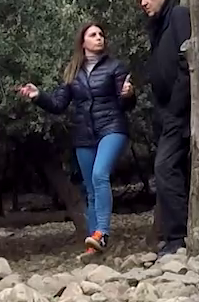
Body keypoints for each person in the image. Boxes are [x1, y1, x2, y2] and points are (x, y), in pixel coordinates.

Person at [18, 20, 135, 256]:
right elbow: (59, 105)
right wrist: (38, 95)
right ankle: (94, 245)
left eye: (101, 34)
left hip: (112, 128)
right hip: (84, 135)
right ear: (83, 42)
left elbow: (126, 105)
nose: (99, 38)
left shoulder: (115, 67)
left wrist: (129, 94)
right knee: (90, 189)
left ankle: (101, 233)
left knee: (99, 174)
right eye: (93, 34)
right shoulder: (73, 73)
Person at [136, 0, 199, 256]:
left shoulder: (178, 15)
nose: (142, 3)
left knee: (164, 168)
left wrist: (175, 107)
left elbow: (189, 61)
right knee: (172, 169)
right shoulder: (159, 26)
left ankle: (176, 239)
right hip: (171, 112)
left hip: (185, 109)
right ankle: (178, 235)